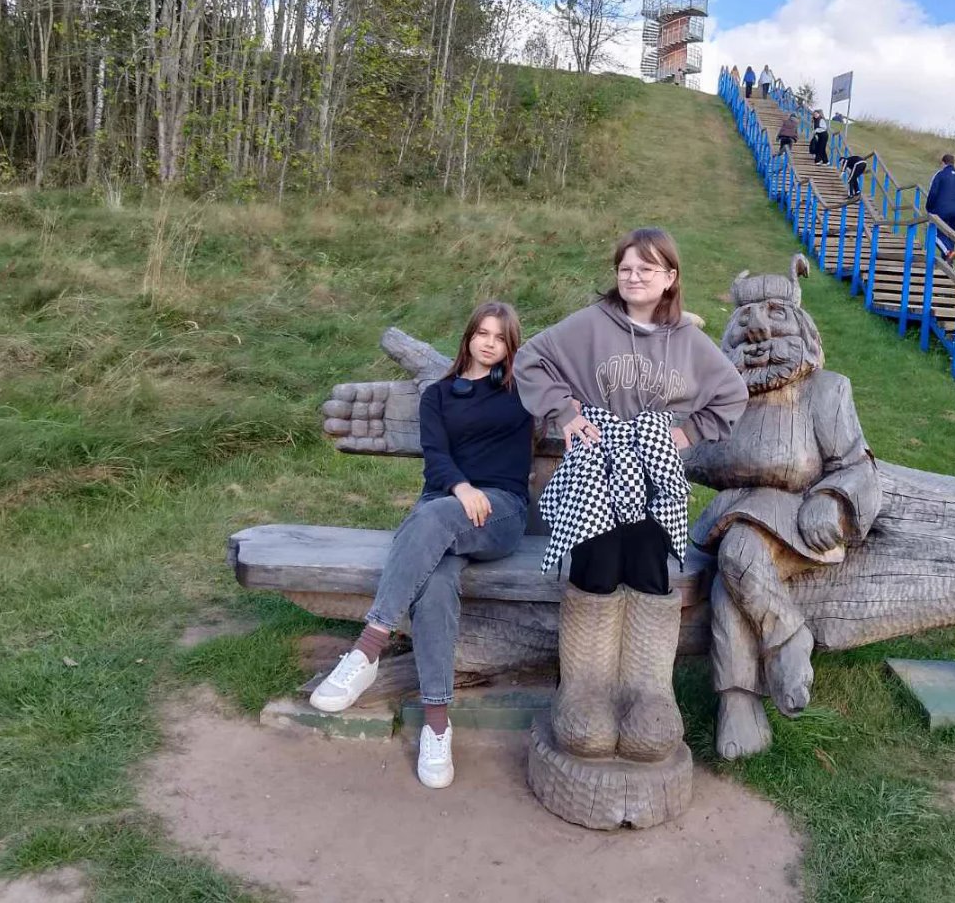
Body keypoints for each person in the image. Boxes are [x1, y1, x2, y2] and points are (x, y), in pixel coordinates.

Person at [514, 227, 748, 761]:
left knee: (647, 570)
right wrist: (566, 413)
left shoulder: (688, 340)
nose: (634, 276)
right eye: (626, 267)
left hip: (653, 468)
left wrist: (687, 433)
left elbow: (732, 392)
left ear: (670, 277)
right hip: (597, 462)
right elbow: (530, 359)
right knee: (597, 567)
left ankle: (647, 696)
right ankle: (584, 693)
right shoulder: (590, 324)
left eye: (647, 268)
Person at [309, 301, 533, 790]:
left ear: (511, 346)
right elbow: (436, 456)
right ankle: (437, 723)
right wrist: (460, 488)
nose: (489, 343)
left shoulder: (521, 391)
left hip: (501, 511)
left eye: (500, 337)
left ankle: (369, 647)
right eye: (482, 333)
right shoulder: (439, 396)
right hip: (446, 504)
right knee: (434, 583)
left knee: (430, 518)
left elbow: (576, 350)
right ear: (468, 336)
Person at [926, 153, 955, 262]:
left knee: (934, 234)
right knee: (950, 236)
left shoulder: (940, 175)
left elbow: (933, 193)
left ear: (943, 163)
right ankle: (948, 264)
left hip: (942, 210)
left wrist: (929, 208)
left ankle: (948, 253)